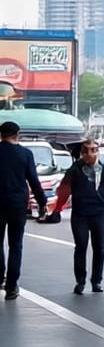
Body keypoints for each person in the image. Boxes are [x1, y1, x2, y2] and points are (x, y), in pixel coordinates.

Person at [57, 140, 104, 295]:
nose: (90, 154)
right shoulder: (75, 169)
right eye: (86, 151)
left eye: (93, 150)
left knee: (99, 248)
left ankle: (96, 281)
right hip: (80, 214)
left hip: (99, 213)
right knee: (81, 246)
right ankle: (80, 280)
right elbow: (64, 189)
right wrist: (58, 207)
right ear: (82, 153)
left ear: (98, 152)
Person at [0, 121, 47, 300]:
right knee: (15, 245)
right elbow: (34, 181)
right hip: (18, 205)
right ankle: (11, 286)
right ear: (17, 134)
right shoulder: (25, 154)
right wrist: (42, 203)